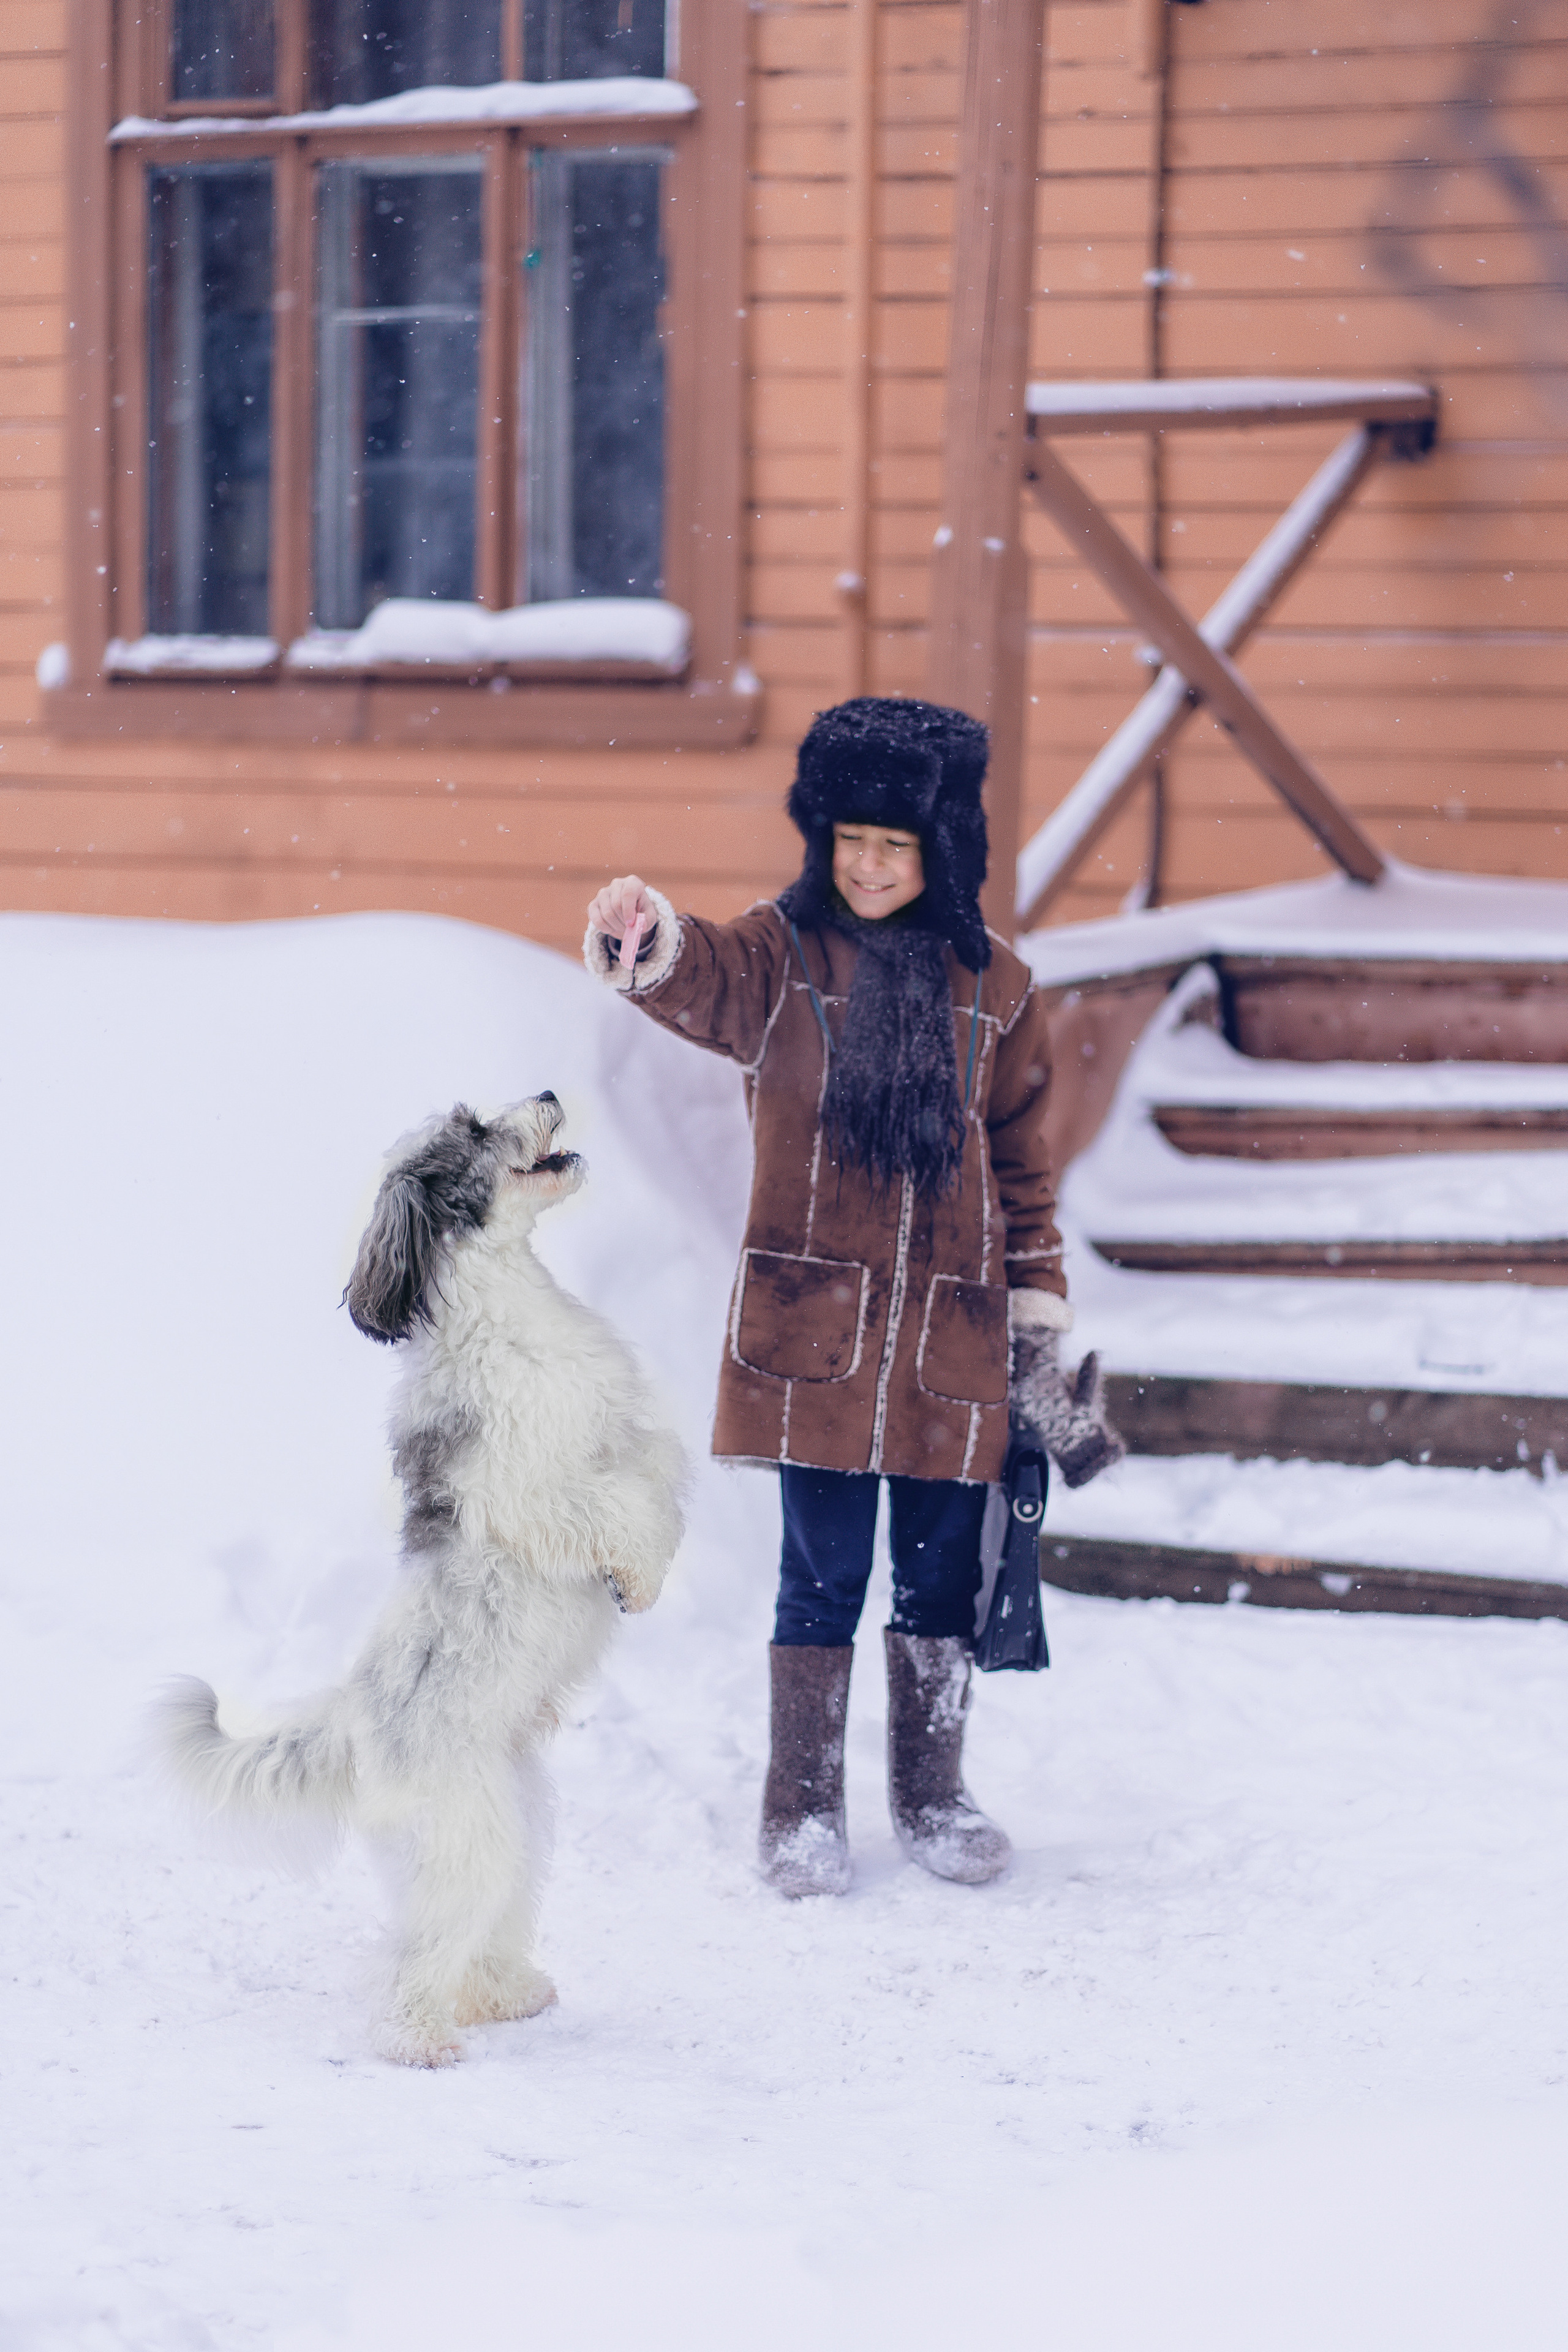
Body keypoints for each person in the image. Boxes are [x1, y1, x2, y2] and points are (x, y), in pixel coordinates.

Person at [584, 696, 1121, 1898]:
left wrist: (1037, 1315)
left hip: (953, 1343)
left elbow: (1024, 1172)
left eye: (896, 845)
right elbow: (701, 981)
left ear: (941, 855)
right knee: (818, 1579)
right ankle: (800, 1810)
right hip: (812, 1342)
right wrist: (647, 937)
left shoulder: (1001, 991)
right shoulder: (779, 959)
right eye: (850, 841)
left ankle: (932, 1797)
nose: (869, 867)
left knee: (937, 1583)